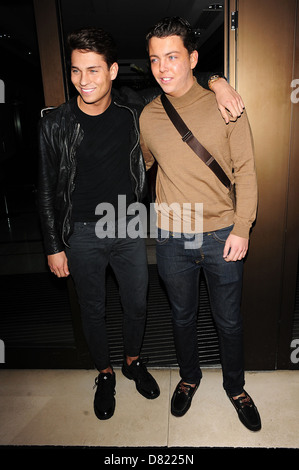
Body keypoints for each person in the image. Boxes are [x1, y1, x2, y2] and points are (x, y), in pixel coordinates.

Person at [37, 26, 246, 421]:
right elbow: (45, 190)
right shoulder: (54, 124)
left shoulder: (134, 109)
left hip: (129, 224)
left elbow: (179, 81)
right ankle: (104, 373)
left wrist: (218, 83)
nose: (85, 80)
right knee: (93, 309)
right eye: (77, 71)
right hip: (81, 231)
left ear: (113, 71)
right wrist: (53, 245)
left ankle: (133, 362)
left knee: (136, 304)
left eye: (94, 70)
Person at [139, 17, 261, 432]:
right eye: (155, 59)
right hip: (173, 236)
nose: (163, 67)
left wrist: (243, 227)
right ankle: (189, 378)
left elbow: (245, 169)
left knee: (229, 320)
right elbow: (147, 169)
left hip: (224, 232)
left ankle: (236, 387)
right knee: (181, 316)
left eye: (172, 56)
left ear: (192, 58)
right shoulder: (148, 117)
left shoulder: (225, 104)